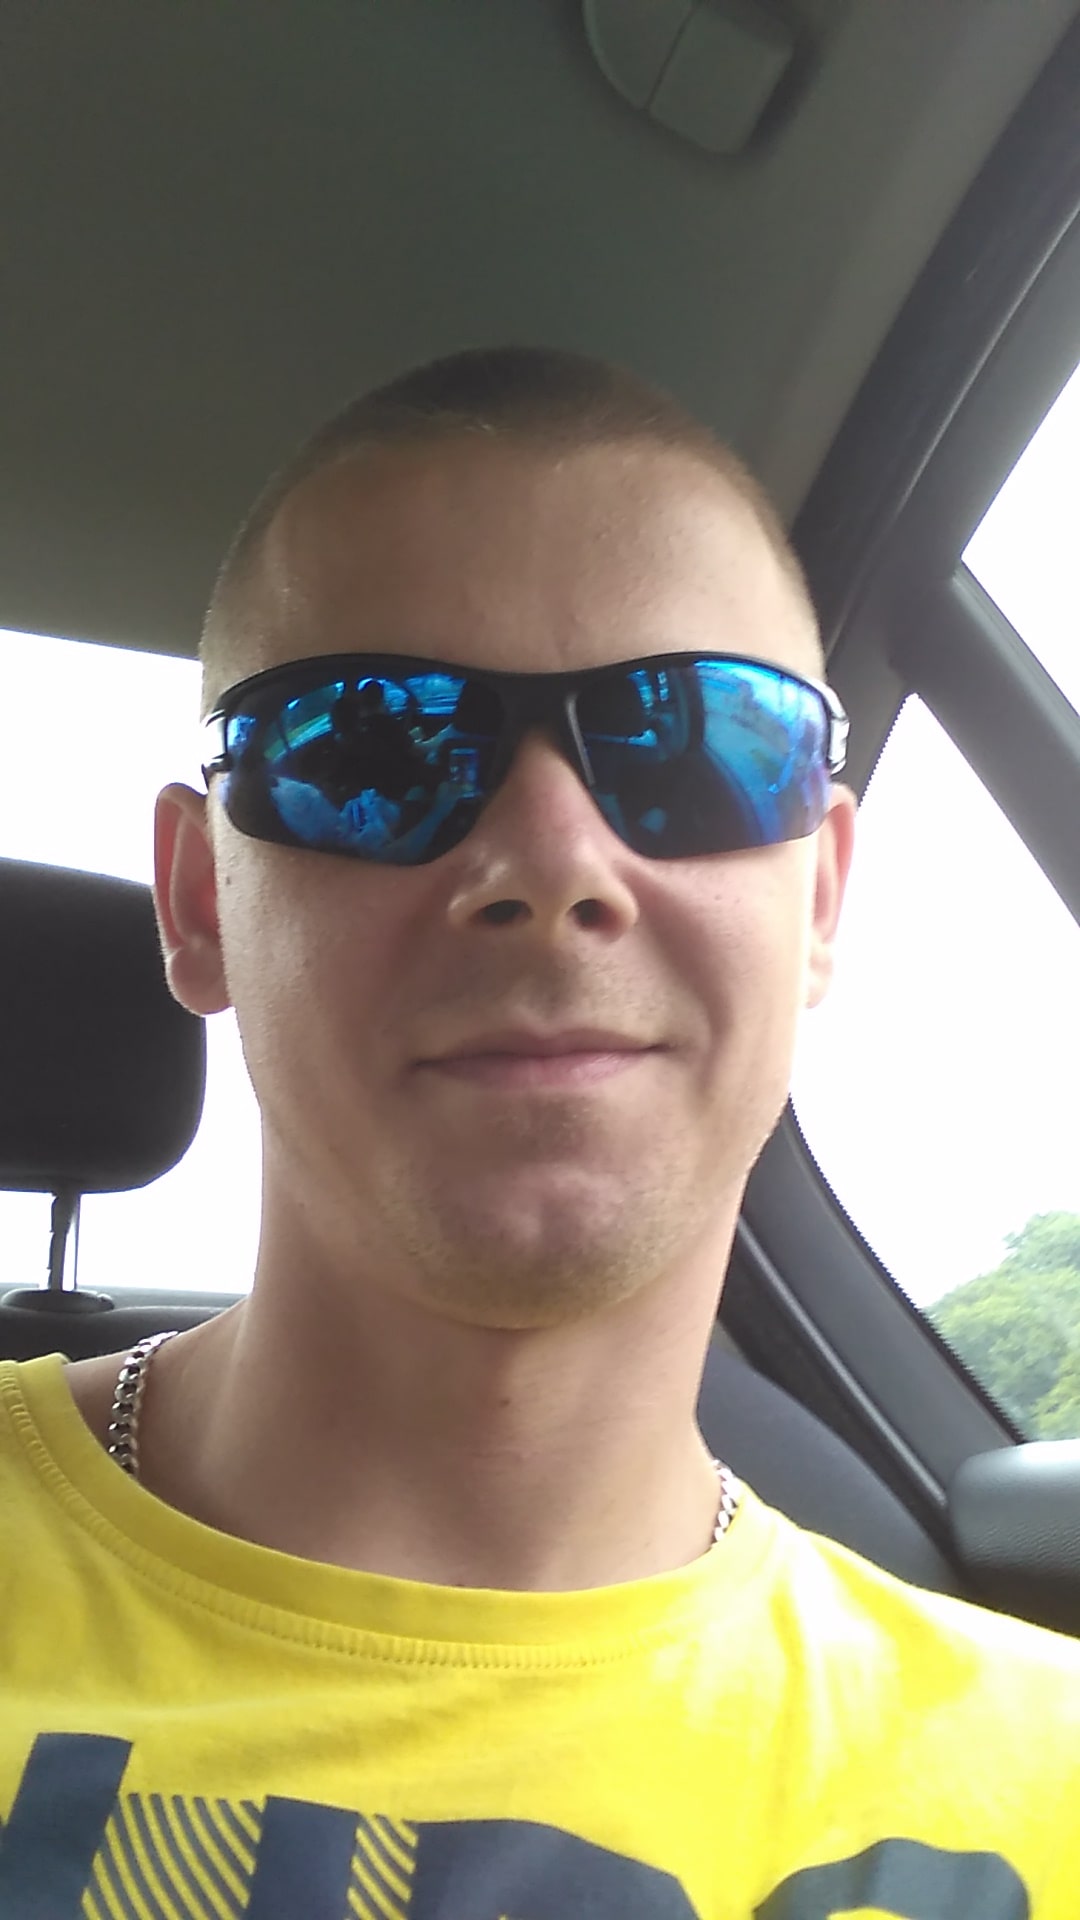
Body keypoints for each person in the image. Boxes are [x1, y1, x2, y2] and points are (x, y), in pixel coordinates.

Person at [1, 346, 1077, 1919]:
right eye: (369, 751)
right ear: (198, 901)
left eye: (696, 745)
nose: (554, 859)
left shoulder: (1045, 1780)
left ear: (823, 897)